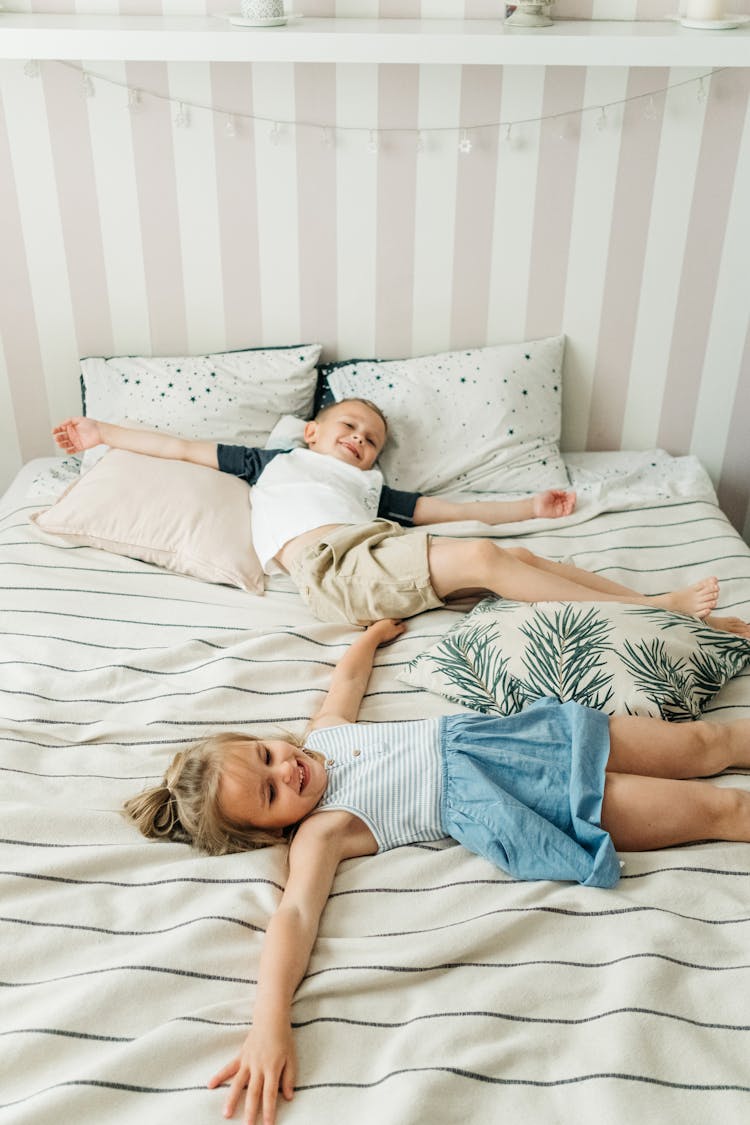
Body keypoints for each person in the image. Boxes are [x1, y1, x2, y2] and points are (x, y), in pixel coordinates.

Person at [123, 618, 750, 1125]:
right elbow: (294, 915)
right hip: (518, 799)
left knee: (703, 745)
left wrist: (369, 637)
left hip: (529, 739)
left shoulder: (326, 735)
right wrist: (268, 1028)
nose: (286, 771)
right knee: (719, 810)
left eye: (266, 755)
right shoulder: (323, 829)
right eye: (269, 793)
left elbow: (346, 682)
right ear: (269, 830)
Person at [52, 399, 746, 635]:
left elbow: (453, 509)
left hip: (374, 549)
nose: (359, 439)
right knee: (482, 561)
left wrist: (529, 507)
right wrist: (101, 433)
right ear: (312, 434)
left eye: (371, 439)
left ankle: (660, 607)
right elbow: (174, 447)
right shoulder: (269, 460)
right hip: (333, 570)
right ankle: (658, 607)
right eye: (349, 426)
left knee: (523, 561)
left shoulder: (369, 489)